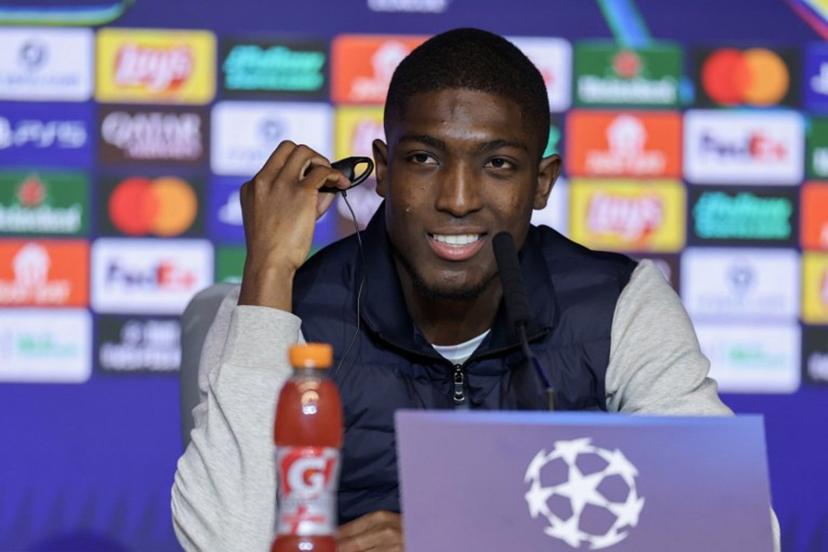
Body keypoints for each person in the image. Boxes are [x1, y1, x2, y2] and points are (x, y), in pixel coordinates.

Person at [172, 28, 776, 552]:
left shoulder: (619, 304)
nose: (458, 200)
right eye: (425, 159)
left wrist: (460, 539)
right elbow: (221, 544)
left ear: (542, 183)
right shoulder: (284, 307)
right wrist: (269, 274)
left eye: (498, 165)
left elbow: (740, 532)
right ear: (383, 170)